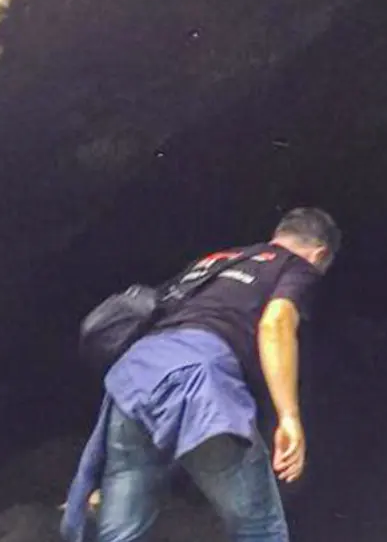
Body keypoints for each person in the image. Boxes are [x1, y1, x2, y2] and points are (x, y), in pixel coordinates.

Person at [61, 208, 341, 542]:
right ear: (320, 254)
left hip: (134, 377)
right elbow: (275, 324)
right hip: (195, 379)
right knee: (260, 527)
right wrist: (289, 417)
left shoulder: (219, 260)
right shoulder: (296, 266)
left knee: (120, 534)